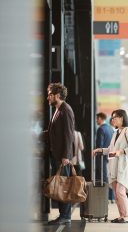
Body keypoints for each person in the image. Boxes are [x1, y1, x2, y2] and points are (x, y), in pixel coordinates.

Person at [93, 109, 128, 223]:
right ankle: (121, 215)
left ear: (122, 118)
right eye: (112, 117)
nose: (112, 119)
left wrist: (122, 151)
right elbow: (111, 149)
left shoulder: (127, 131)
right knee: (116, 191)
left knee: (120, 191)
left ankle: (126, 216)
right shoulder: (115, 132)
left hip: (124, 165)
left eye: (115, 117)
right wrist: (100, 150)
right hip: (114, 165)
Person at [46, 83, 75, 225]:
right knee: (60, 185)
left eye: (50, 94)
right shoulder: (58, 110)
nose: (48, 97)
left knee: (64, 186)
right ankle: (63, 215)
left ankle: (65, 216)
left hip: (62, 157)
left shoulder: (66, 110)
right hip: (56, 155)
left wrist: (66, 156)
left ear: (57, 95)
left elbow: (69, 135)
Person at [96, 112, 114, 202]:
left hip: (102, 156)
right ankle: (111, 197)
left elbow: (100, 145)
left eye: (97, 118)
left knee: (103, 176)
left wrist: (97, 152)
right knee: (109, 175)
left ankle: (105, 197)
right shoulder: (110, 129)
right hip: (110, 156)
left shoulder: (101, 129)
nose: (96, 120)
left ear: (100, 118)